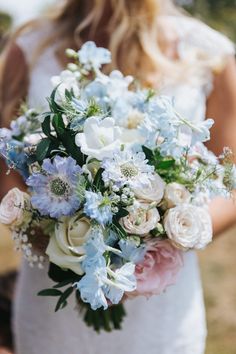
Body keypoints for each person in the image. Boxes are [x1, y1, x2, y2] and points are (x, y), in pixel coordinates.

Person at [0, 1, 236, 353]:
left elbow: (230, 182)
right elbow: (5, 162)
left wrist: (168, 235)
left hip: (161, 313)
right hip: (53, 310)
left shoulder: (208, 54)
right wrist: (57, 240)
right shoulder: (31, 47)